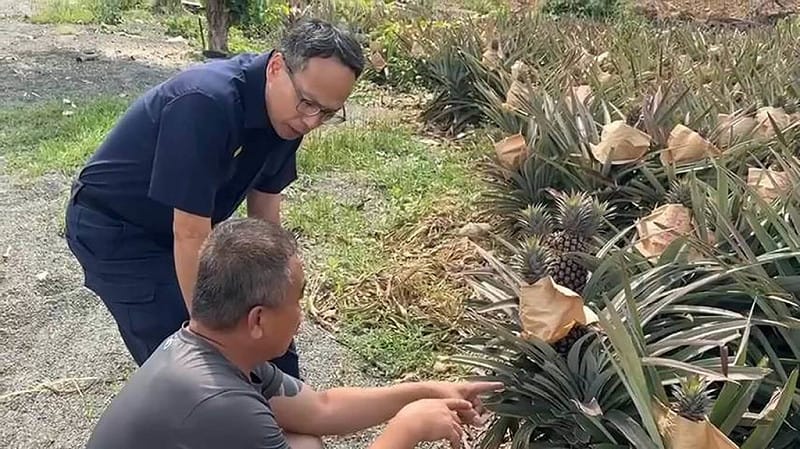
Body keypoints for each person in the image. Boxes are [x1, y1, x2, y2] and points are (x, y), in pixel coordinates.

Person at [63, 18, 363, 377]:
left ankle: (283, 409)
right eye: (308, 103)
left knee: (262, 335)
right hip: (119, 231)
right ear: (277, 67)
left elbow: (264, 213)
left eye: (328, 113)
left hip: (189, 227)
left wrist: (272, 295)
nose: (312, 122)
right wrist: (210, 340)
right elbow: (189, 233)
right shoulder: (205, 102)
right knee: (190, 361)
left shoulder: (291, 116)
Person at [84, 217, 504, 449]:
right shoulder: (219, 403)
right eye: (297, 300)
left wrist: (425, 391)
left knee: (304, 440)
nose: (301, 315)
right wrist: (408, 429)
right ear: (258, 320)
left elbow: (320, 408)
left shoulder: (213, 350)